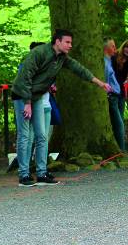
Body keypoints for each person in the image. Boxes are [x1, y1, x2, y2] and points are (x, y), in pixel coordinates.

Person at [12, 29, 112, 187]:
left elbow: (79, 69)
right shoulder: (39, 53)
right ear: (57, 42)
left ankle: (42, 172)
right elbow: (25, 77)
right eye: (67, 42)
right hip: (22, 96)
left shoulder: (61, 58)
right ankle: (24, 175)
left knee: (42, 135)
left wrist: (100, 83)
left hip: (37, 96)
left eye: (71, 43)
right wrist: (27, 102)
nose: (70, 45)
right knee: (25, 136)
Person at [104, 38, 125, 151]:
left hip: (117, 95)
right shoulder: (105, 63)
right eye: (112, 46)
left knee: (118, 122)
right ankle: (121, 150)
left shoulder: (109, 60)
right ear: (106, 48)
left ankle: (119, 149)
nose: (115, 48)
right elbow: (106, 81)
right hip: (111, 96)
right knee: (119, 124)